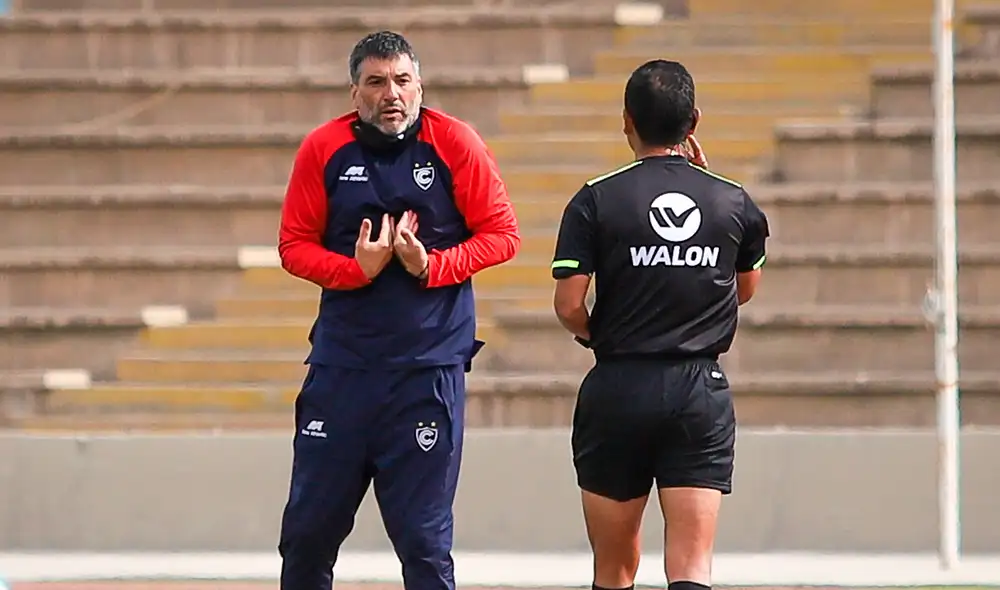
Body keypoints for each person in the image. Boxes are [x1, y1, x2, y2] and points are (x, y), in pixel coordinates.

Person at [275, 31, 520, 590]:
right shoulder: (324, 148)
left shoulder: (455, 142)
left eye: (403, 81)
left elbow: (503, 235)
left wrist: (431, 265)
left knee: (423, 542)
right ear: (354, 91)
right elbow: (293, 245)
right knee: (308, 535)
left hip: (424, 372)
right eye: (377, 82)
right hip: (343, 371)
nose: (393, 94)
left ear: (420, 85)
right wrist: (355, 270)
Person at [550, 59, 770, 590]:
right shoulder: (732, 200)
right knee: (692, 567)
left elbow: (568, 304)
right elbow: (742, 290)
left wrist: (594, 333)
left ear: (626, 120)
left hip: (618, 385)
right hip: (698, 390)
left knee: (614, 567)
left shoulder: (594, 198)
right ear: (694, 121)